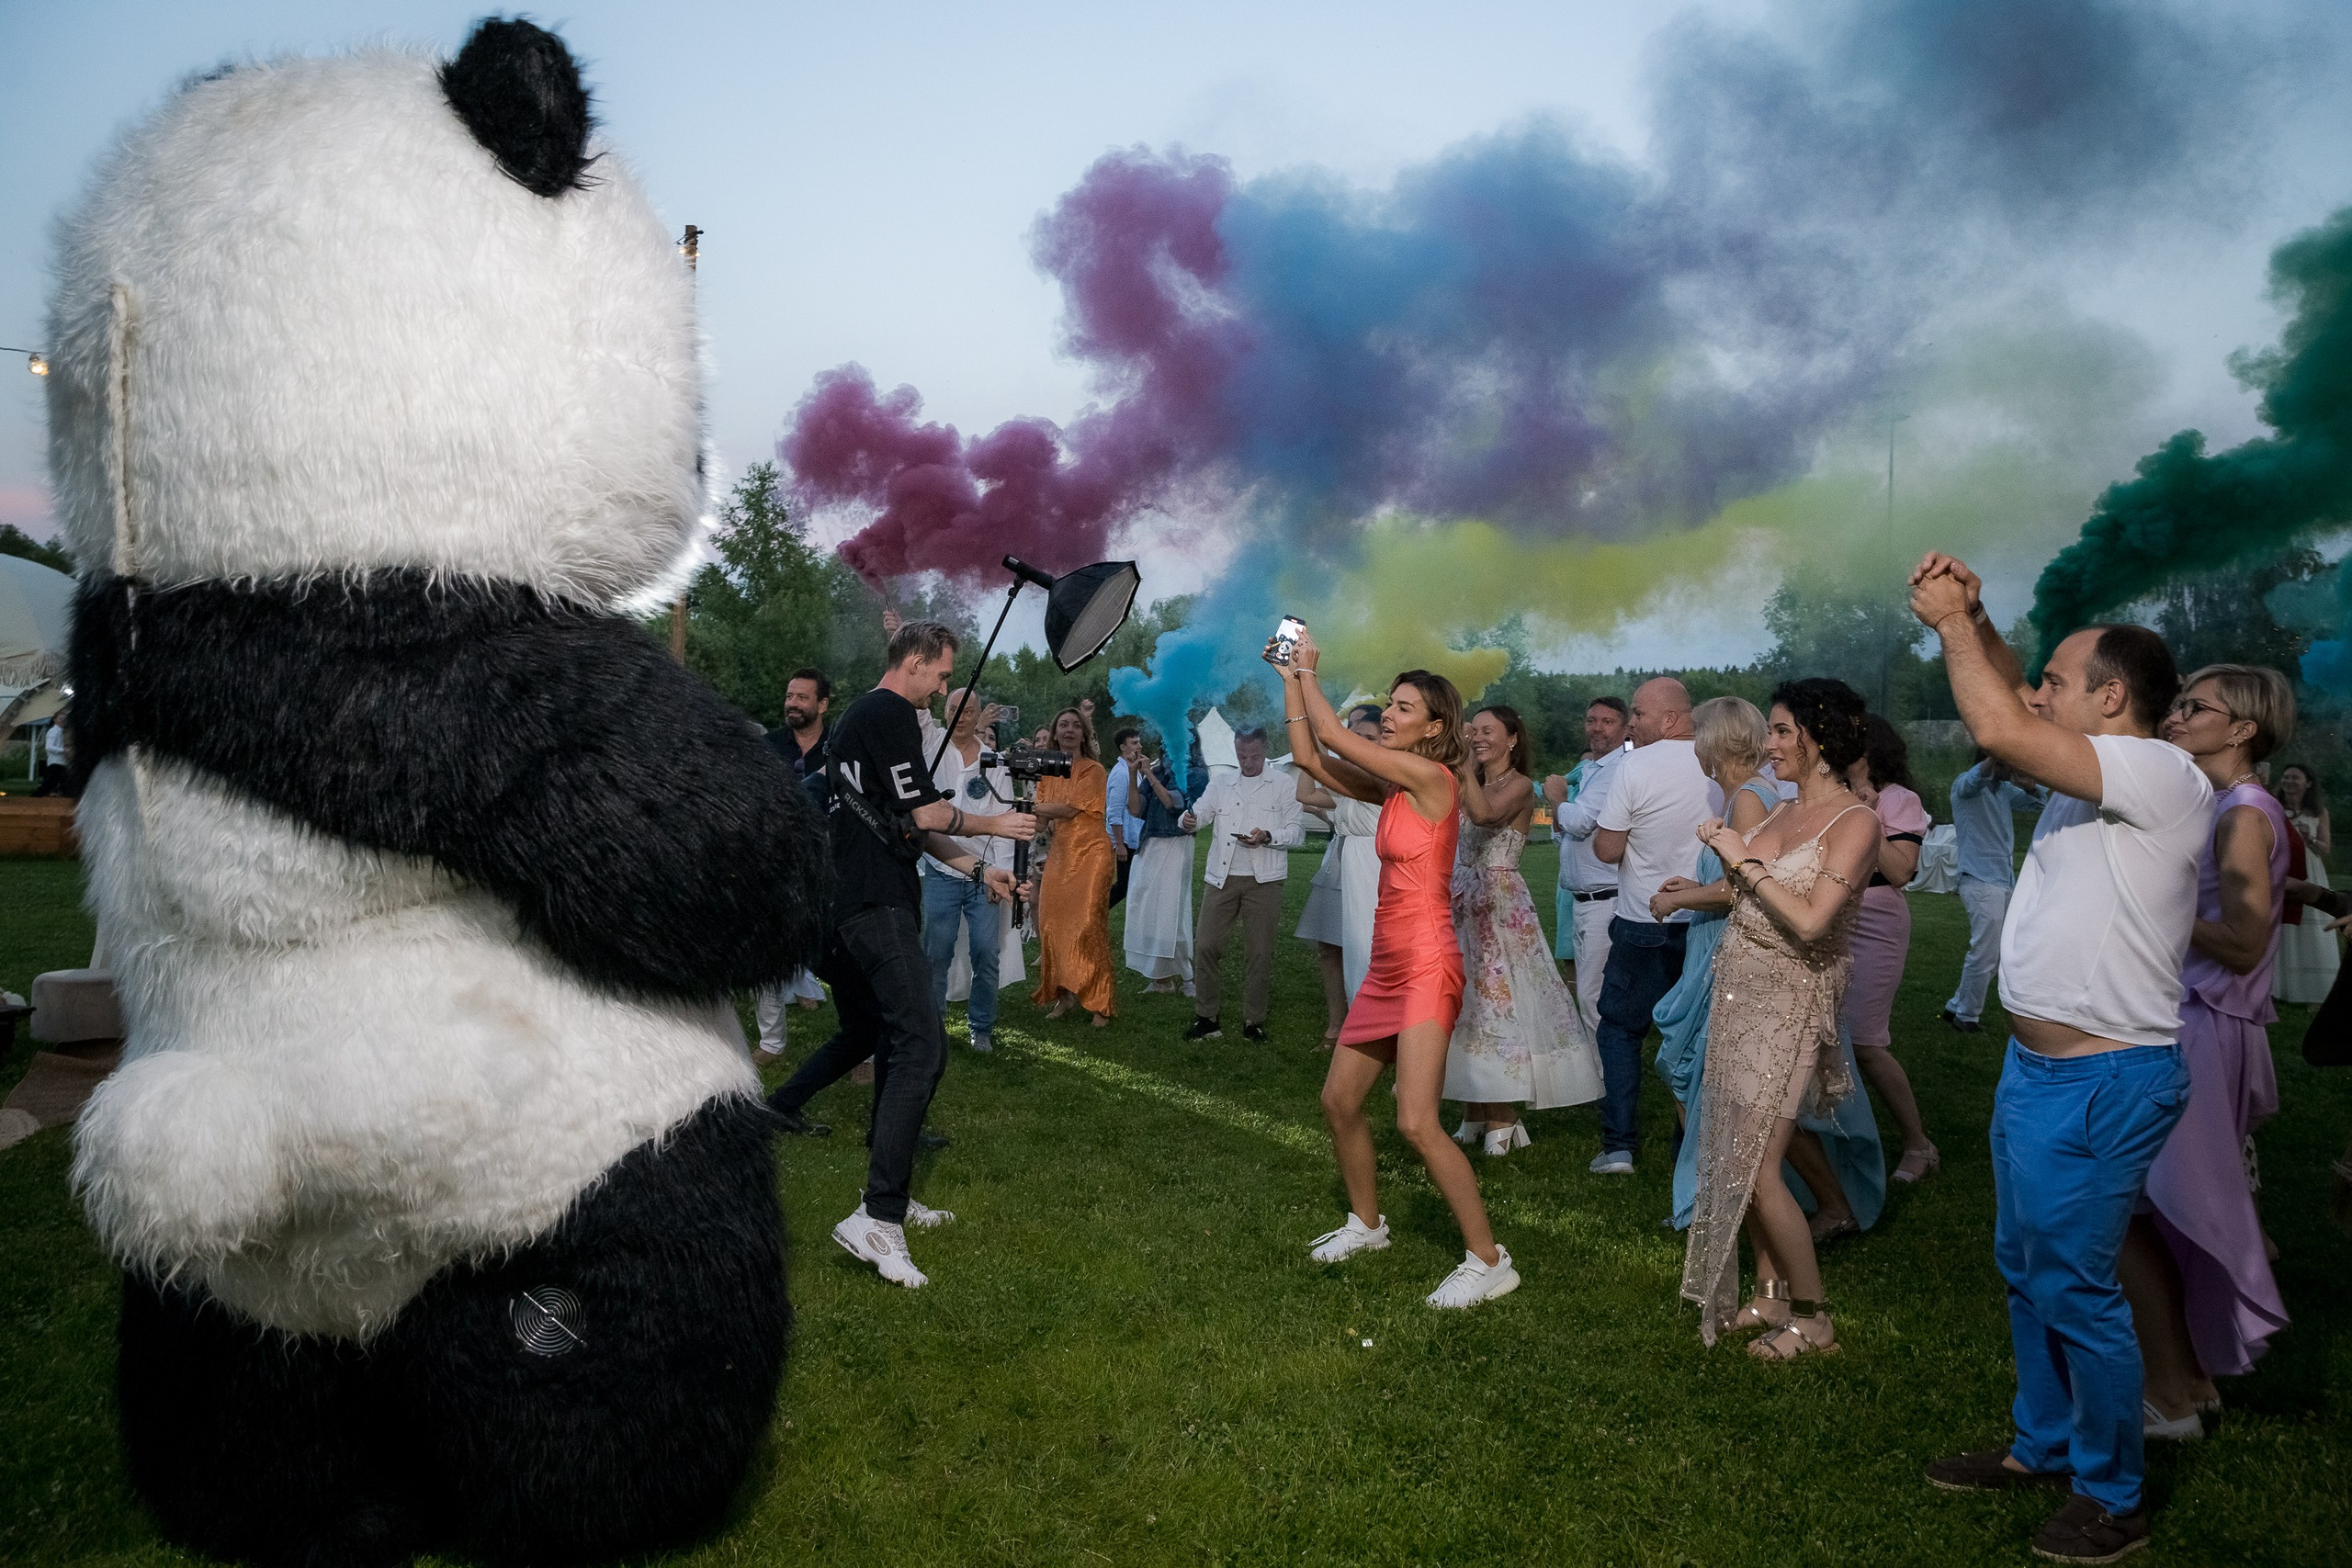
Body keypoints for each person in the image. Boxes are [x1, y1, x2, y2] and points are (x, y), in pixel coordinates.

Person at [1911, 553, 2208, 1566]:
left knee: (2075, 1284)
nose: (2039, 691)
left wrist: (1949, 626)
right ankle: (2041, 1446)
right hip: (2036, 1071)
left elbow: (1998, 720)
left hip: (2103, 1078)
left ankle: (2111, 1496)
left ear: (2113, 697)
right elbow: (2010, 685)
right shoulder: (2090, 767)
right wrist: (1979, 618)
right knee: (2023, 1267)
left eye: (2061, 684)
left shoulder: (2159, 772)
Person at [766, 621, 1033, 1289]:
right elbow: (927, 816)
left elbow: (904, 824)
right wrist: (997, 825)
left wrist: (980, 872)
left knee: (888, 1036)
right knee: (922, 1043)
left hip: (866, 902)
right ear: (913, 661)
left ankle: (894, 1192)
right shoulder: (888, 712)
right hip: (874, 905)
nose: (945, 685)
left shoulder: (868, 718)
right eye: (942, 673)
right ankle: (877, 1217)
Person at [1276, 636, 1517, 1309]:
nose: (1388, 712)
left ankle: (1489, 1259)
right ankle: (1368, 1224)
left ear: (1434, 726)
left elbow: (1331, 730)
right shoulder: (1392, 785)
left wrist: (1307, 671)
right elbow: (1307, 753)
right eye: (1389, 703)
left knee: (1415, 1121)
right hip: (1386, 964)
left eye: (1403, 707)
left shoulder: (1432, 779)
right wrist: (1287, 679)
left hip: (1425, 963)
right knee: (1339, 1101)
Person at [1680, 680, 1878, 1360]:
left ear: (1821, 740)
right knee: (1733, 1152)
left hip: (1790, 1001)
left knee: (1759, 1165)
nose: (1770, 744)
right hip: (1738, 995)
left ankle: (1815, 1317)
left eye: (1784, 731)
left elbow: (1811, 919)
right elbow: (1741, 887)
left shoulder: (1854, 823)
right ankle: (1767, 1289)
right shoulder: (1779, 811)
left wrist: (1739, 855)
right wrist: (1718, 866)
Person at [2125, 664, 2295, 1438]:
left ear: (2242, 729)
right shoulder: (2225, 805)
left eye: (2197, 706)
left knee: (2151, 1209)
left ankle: (2172, 1394)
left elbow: (2245, 939)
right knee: (2168, 1210)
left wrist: (2150, 899)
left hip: (2203, 1023)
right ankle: (2191, 1379)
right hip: (2199, 1018)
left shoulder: (2243, 815)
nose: (2177, 714)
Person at [1443, 705, 1603, 1153]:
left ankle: (1504, 1114)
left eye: (1487, 731)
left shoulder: (1516, 786)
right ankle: (1473, 1107)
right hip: (1462, 901)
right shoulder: (1469, 778)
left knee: (1502, 1003)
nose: (1477, 738)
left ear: (1512, 739)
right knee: (1465, 1002)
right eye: (1473, 731)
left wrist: (1459, 766)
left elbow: (1483, 816)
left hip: (1498, 905)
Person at [1589, 678, 1711, 1174]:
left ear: (1670, 719)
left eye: (1638, 714)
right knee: (1695, 1036)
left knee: (1620, 1029)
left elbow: (1608, 849)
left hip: (1644, 918)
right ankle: (1689, 1145)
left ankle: (1619, 1146)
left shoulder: (1633, 764)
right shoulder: (1717, 762)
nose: (1630, 724)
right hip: (1706, 919)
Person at [1842, 715, 1939, 1184]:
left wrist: (1866, 817)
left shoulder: (1900, 800)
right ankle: (1839, 1138)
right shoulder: (1825, 792)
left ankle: (1918, 1145)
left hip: (1875, 922)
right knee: (1826, 1037)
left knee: (1864, 1041)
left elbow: (1901, 871)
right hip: (1827, 915)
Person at [1182, 727, 1305, 1041]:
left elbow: (1297, 832)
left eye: (1254, 756)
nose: (1248, 762)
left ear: (1265, 750)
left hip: (1265, 880)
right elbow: (1199, 813)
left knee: (1259, 952)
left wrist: (1269, 836)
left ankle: (1254, 1021)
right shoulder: (1221, 782)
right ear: (1235, 751)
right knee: (1206, 945)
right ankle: (1207, 1018)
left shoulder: (1283, 784)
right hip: (1221, 878)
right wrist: (1188, 820)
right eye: (1242, 755)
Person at [922, 694, 1022, 1055]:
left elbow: (1006, 819)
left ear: (979, 716)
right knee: (936, 953)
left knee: (985, 952)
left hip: (985, 875)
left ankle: (981, 1028)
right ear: (943, 713)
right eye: (952, 709)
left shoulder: (994, 762)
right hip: (939, 868)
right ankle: (933, 1027)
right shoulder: (930, 746)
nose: (959, 716)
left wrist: (1005, 875)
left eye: (967, 710)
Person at [1295, 705, 1386, 1043]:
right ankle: (1346, 1024)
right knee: (1340, 947)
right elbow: (1304, 794)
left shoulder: (1381, 778)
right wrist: (1314, 752)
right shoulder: (1348, 777)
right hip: (1344, 862)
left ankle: (1374, 1028)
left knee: (1371, 949)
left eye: (1369, 737)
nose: (1359, 743)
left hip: (1373, 868)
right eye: (1354, 736)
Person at [756, 668, 833, 1058]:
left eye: (802, 697)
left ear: (822, 704)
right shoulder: (768, 747)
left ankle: (865, 1051)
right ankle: (771, 1042)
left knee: (846, 953)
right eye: (789, 696)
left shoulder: (840, 747)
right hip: (779, 863)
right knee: (767, 951)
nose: (792, 704)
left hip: (832, 863)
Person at [1543, 695, 1630, 1034]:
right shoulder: (1594, 769)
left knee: (1594, 998)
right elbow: (1565, 835)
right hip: (1584, 900)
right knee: (1588, 994)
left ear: (1625, 729)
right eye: (1591, 720)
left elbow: (1579, 823)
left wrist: (1557, 797)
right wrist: (1560, 812)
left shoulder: (1617, 769)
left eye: (1608, 722)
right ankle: (1600, 1073)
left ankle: (1604, 1079)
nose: (1597, 728)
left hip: (1606, 900)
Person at [1943, 750, 2045, 1033]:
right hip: (1979, 879)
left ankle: (1955, 1007)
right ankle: (1967, 1016)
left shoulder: (2005, 790)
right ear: (1992, 760)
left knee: (1993, 953)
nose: (2014, 767)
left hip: (2003, 879)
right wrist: (1996, 752)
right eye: (2007, 762)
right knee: (1985, 953)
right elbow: (1974, 779)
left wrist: (2030, 786)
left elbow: (2040, 804)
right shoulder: (1965, 786)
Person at [1031, 706, 1119, 1026]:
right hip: (1061, 855)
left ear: (1084, 733)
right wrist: (1028, 813)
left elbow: (1069, 810)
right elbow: (1041, 825)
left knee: (1087, 926)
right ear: (1054, 733)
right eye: (1063, 725)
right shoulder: (1048, 771)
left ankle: (1100, 1003)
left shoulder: (1093, 770)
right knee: (1052, 926)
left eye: (1075, 725)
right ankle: (1063, 996)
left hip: (1091, 855)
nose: (1069, 730)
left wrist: (1035, 807)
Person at [1126, 735, 1207, 993]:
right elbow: (1135, 809)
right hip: (1149, 844)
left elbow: (1174, 803)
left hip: (1176, 844)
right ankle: (1161, 979)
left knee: (1172, 912)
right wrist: (1132, 775)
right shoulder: (1159, 770)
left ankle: (1187, 977)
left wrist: (1149, 775)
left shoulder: (1196, 773)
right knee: (1146, 912)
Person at [2273, 762, 2337, 1003]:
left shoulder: (2318, 813)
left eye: (2295, 778)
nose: (2289, 782)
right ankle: (2279, 988)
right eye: (2286, 777)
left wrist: (2309, 837)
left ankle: (2313, 990)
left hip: (2310, 872)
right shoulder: (2273, 807)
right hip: (2281, 869)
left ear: (2307, 783)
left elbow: (2325, 848)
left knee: (2311, 927)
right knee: (2280, 926)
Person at [1104, 728, 1145, 908]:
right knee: (1124, 885)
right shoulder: (1121, 773)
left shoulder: (1132, 770)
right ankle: (1095, 912)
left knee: (1131, 884)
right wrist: (1119, 844)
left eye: (1139, 742)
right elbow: (1114, 811)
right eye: (1134, 743)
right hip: (1125, 840)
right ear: (1123, 747)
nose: (1139, 746)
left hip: (1133, 837)